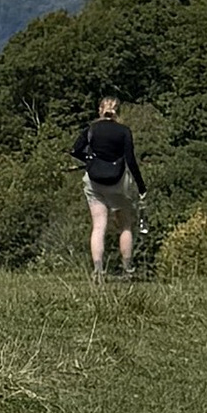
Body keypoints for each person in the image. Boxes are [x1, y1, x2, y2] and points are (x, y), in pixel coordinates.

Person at [77, 95, 147, 277]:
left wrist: (90, 160)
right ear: (118, 112)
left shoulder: (91, 129)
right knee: (125, 226)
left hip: (94, 181)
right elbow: (130, 160)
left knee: (99, 226)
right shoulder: (124, 131)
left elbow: (76, 149)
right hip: (118, 182)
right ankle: (127, 269)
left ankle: (98, 270)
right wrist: (141, 186)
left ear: (100, 110)